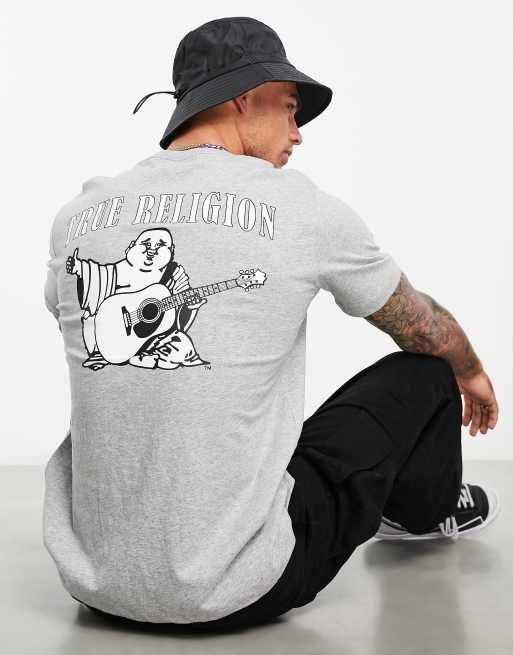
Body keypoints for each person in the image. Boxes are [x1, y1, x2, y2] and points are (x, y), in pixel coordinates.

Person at [43, 16, 500, 633]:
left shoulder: (78, 214)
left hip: (97, 584)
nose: (298, 134)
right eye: (289, 109)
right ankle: (426, 513)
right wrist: (470, 370)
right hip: (240, 588)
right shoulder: (301, 208)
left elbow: (78, 323)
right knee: (425, 374)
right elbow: (421, 326)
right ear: (243, 98)